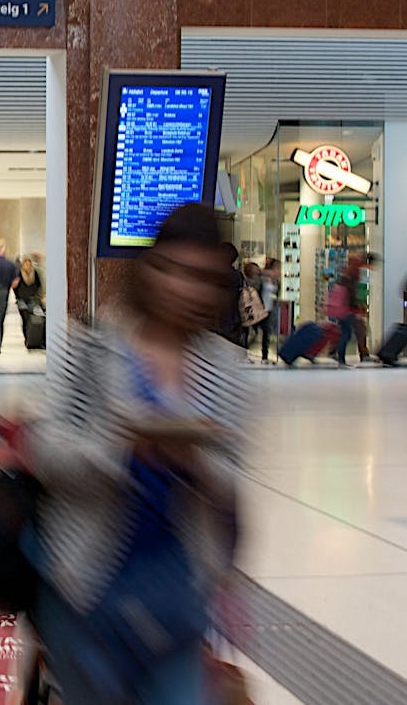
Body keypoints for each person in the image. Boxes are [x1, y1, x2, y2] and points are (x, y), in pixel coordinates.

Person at [25, 203, 249, 703]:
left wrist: (196, 461)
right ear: (151, 270)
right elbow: (46, 450)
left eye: (205, 278)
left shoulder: (227, 368)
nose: (188, 289)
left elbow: (235, 480)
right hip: (88, 590)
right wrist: (118, 449)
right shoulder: (93, 347)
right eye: (177, 271)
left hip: (180, 598)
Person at [328, 253, 366, 367]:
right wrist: (357, 309)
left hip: (343, 309)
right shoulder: (353, 274)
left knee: (345, 332)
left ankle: (338, 355)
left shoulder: (347, 273)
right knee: (346, 333)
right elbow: (351, 294)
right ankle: (340, 357)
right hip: (346, 309)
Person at [15, 254, 46, 336]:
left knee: (34, 317)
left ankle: (32, 335)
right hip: (21, 299)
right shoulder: (19, 273)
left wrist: (39, 295)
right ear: (23, 264)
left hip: (32, 298)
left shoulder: (34, 273)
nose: (28, 266)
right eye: (26, 264)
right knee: (25, 318)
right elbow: (15, 286)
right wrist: (17, 296)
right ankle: (26, 335)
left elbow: (38, 284)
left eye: (29, 264)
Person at [260, 258, 281, 364]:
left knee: (267, 332)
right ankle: (264, 355)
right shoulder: (263, 278)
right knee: (262, 331)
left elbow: (276, 293)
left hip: (270, 308)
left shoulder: (276, 280)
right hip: (261, 307)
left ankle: (265, 355)